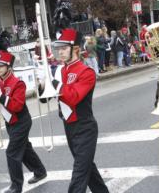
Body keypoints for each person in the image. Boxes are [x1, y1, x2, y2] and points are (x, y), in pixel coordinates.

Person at [39, 28, 109, 193]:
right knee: (87, 169)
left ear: (75, 49)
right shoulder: (61, 70)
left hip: (85, 127)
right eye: (59, 48)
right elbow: (45, 99)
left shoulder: (87, 72)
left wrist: (54, 83)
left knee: (79, 173)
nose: (60, 52)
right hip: (69, 127)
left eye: (64, 48)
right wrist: (42, 84)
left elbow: (73, 98)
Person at [0, 50, 47, 193]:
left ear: (8, 67)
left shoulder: (18, 83)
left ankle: (16, 186)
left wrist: (1, 96)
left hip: (21, 121)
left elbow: (17, 106)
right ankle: (40, 171)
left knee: (12, 152)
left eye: (0, 66)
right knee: (25, 148)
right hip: (10, 122)